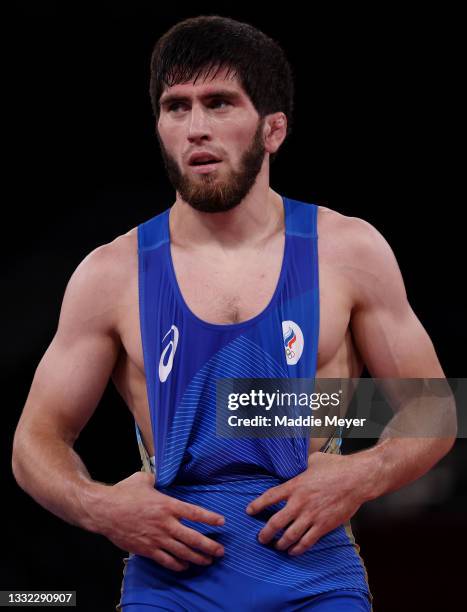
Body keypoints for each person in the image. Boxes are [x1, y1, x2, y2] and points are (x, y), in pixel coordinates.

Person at [12, 15, 455, 612]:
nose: (196, 128)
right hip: (171, 585)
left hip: (314, 579)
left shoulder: (349, 252)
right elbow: (35, 439)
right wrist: (101, 506)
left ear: (273, 129)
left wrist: (361, 474)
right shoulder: (109, 274)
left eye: (219, 103)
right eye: (176, 107)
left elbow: (433, 406)